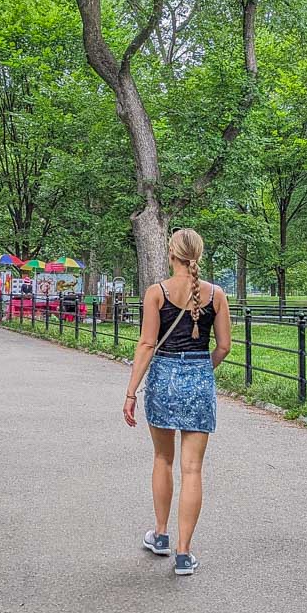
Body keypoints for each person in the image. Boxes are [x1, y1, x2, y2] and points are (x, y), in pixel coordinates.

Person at [123, 228, 231, 577]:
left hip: (163, 381)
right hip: (199, 381)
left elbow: (146, 345)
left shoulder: (157, 293)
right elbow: (224, 347)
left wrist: (130, 392)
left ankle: (162, 535)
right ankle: (184, 554)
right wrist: (201, 371)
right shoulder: (217, 296)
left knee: (162, 458)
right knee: (193, 469)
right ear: (198, 254)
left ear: (171, 254)